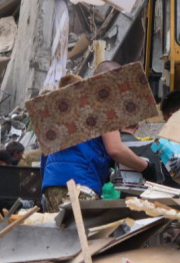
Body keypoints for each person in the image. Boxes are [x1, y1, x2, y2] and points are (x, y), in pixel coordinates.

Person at [41, 66, 154, 211]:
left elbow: (45, 153)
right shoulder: (102, 106)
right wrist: (145, 166)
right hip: (80, 185)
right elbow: (115, 150)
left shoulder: (59, 112)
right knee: (84, 233)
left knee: (62, 233)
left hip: (51, 185)